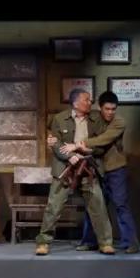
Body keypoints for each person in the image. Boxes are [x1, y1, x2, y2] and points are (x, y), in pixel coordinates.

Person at [34, 89, 115, 256]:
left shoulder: (96, 119)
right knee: (54, 206)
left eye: (90, 100)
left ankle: (105, 243)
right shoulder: (59, 119)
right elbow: (55, 143)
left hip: (88, 167)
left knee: (98, 205)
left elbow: (101, 144)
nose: (90, 102)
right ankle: (43, 242)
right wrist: (70, 156)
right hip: (64, 168)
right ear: (76, 103)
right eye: (86, 99)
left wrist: (87, 151)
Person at [65, 91, 140, 254]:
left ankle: (131, 242)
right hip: (96, 168)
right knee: (94, 205)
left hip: (116, 169)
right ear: (100, 108)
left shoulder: (119, 122)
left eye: (113, 109)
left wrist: (79, 144)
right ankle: (89, 241)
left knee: (120, 204)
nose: (110, 112)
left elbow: (104, 139)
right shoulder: (94, 118)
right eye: (107, 109)